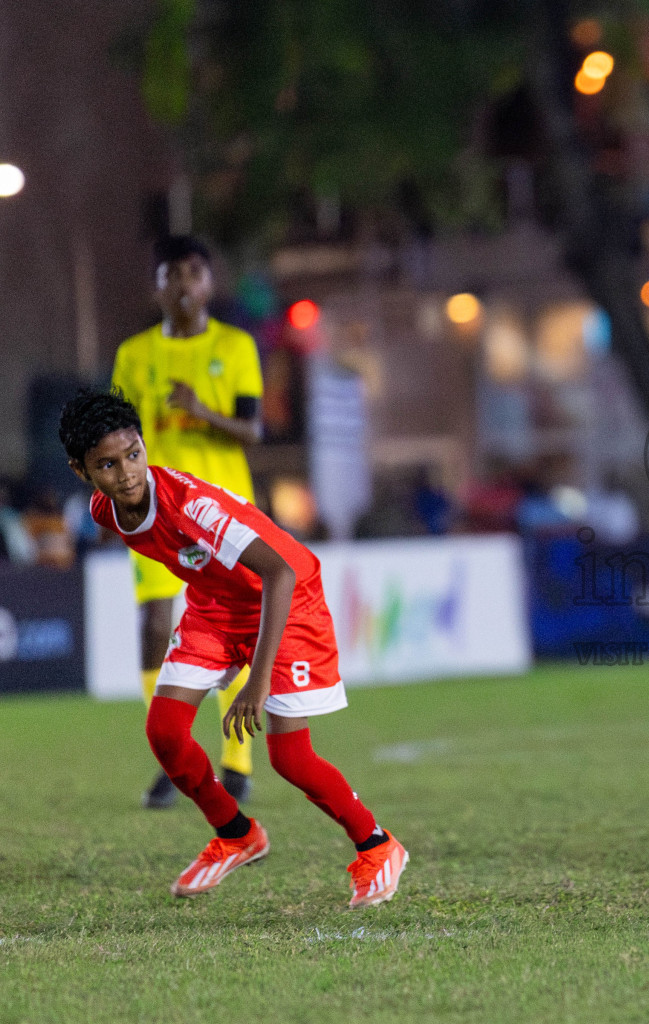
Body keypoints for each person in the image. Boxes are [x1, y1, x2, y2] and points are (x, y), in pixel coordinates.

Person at [59, 389, 408, 907]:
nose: (127, 473)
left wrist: (256, 681)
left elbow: (280, 573)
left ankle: (378, 846)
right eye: (107, 465)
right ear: (81, 470)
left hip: (286, 598)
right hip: (216, 605)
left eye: (134, 454)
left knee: (290, 757)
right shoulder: (105, 512)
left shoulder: (192, 507)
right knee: (165, 733)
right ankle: (237, 833)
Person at [112, 236, 264, 809]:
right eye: (172, 274)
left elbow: (253, 431)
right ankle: (173, 760)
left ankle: (238, 760)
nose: (183, 284)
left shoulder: (237, 345)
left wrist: (200, 410)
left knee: (233, 630)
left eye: (194, 272)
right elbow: (118, 434)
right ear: (157, 287)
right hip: (155, 509)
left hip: (223, 506)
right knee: (156, 626)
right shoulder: (134, 354)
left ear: (209, 283)